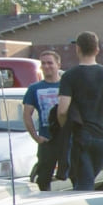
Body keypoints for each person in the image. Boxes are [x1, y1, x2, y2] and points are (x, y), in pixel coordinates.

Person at [56, 31, 103, 191]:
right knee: (89, 179)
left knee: (83, 184)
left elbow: (62, 109)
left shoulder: (69, 76)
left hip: (81, 136)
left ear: (77, 49)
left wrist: (65, 127)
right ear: (97, 50)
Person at [23, 51, 67, 190]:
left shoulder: (67, 85)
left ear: (58, 64)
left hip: (67, 138)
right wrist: (35, 137)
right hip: (47, 139)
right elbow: (27, 114)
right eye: (43, 63)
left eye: (50, 63)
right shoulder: (34, 88)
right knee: (43, 178)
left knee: (73, 174)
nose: (46, 66)